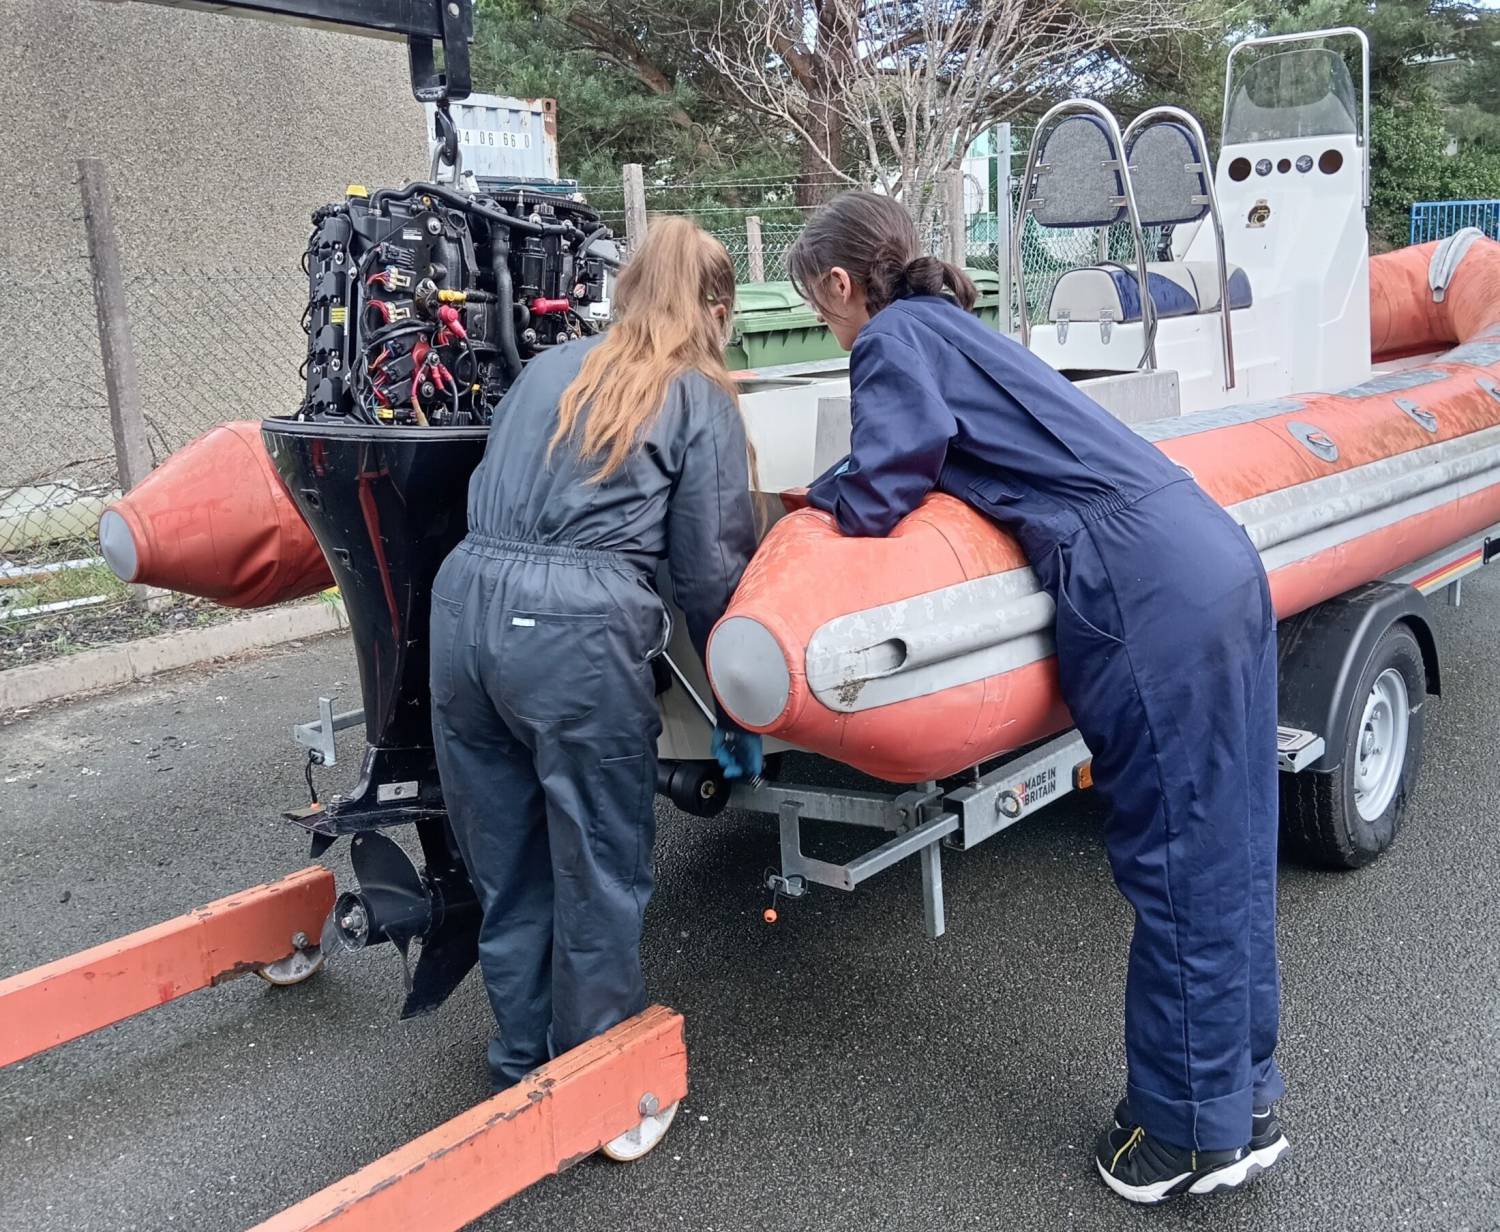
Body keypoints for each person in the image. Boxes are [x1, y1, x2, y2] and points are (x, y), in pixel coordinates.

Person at [786, 192, 1286, 1203]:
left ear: (841, 284)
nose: (831, 327)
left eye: (820, 307)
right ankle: (1245, 1100)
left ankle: (1189, 1136)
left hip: (1142, 584)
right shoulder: (955, 326)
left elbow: (885, 483)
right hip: (1207, 550)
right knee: (1227, 842)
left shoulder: (892, 337)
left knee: (1179, 857)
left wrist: (810, 504)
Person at [428, 217, 762, 1154]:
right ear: (716, 306)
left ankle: (520, 1059)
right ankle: (603, 1089)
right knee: (599, 864)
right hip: (571, 639)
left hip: (462, 616)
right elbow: (707, 568)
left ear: (620, 294)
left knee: (510, 857)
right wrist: (740, 700)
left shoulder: (544, 369)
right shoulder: (697, 394)